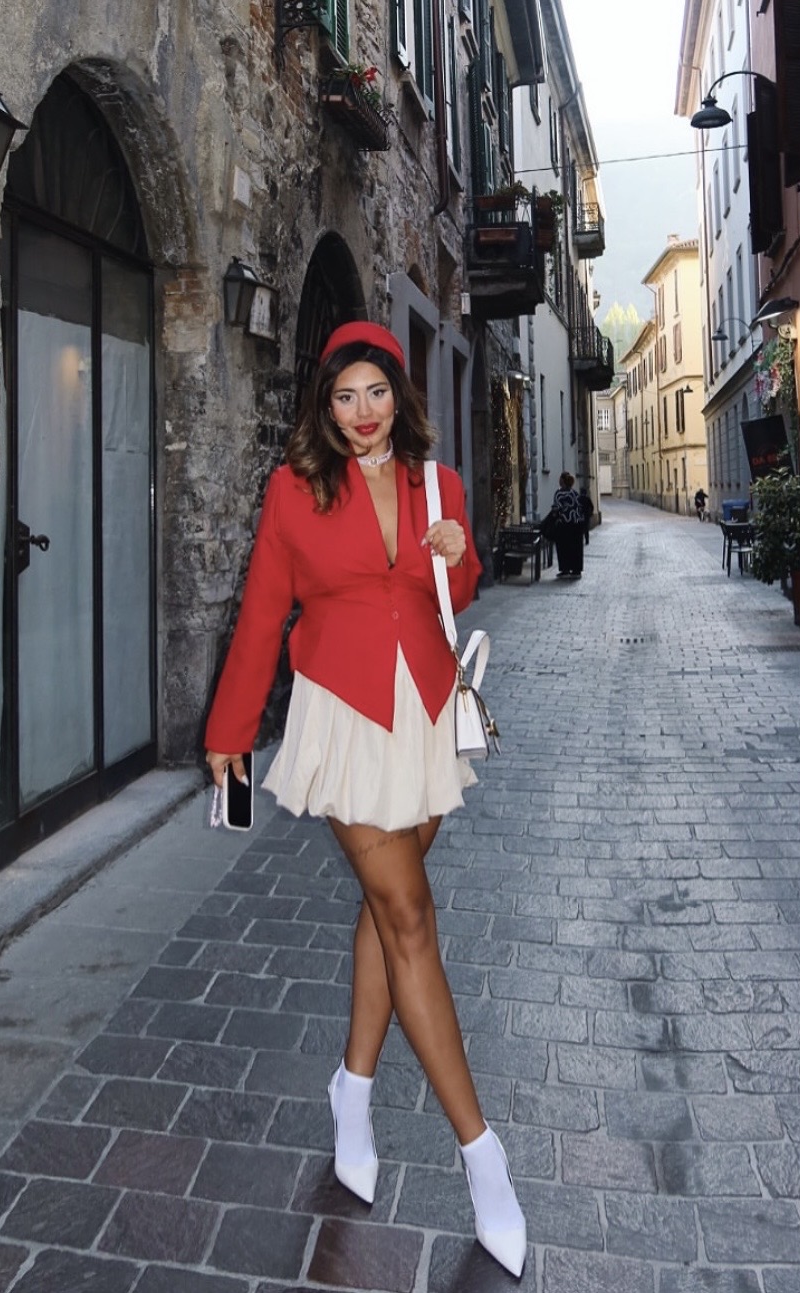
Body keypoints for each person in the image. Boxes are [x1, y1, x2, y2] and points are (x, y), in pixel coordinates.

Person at [204, 321, 527, 1278]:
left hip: (423, 708)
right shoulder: (295, 488)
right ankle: (483, 1159)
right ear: (326, 405)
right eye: (343, 396)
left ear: (399, 393)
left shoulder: (438, 483)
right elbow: (264, 610)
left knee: (387, 910)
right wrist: (229, 730)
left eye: (375, 392)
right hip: (343, 713)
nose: (361, 412)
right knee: (409, 914)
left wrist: (457, 551)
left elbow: (453, 591)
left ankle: (351, 1088)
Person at [550, 472, 584, 578]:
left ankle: (565, 569)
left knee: (563, 548)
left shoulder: (559, 494)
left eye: (560, 478)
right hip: (576, 524)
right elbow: (580, 507)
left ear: (562, 480)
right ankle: (576, 570)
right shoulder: (574, 493)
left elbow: (556, 509)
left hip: (563, 525)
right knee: (576, 548)